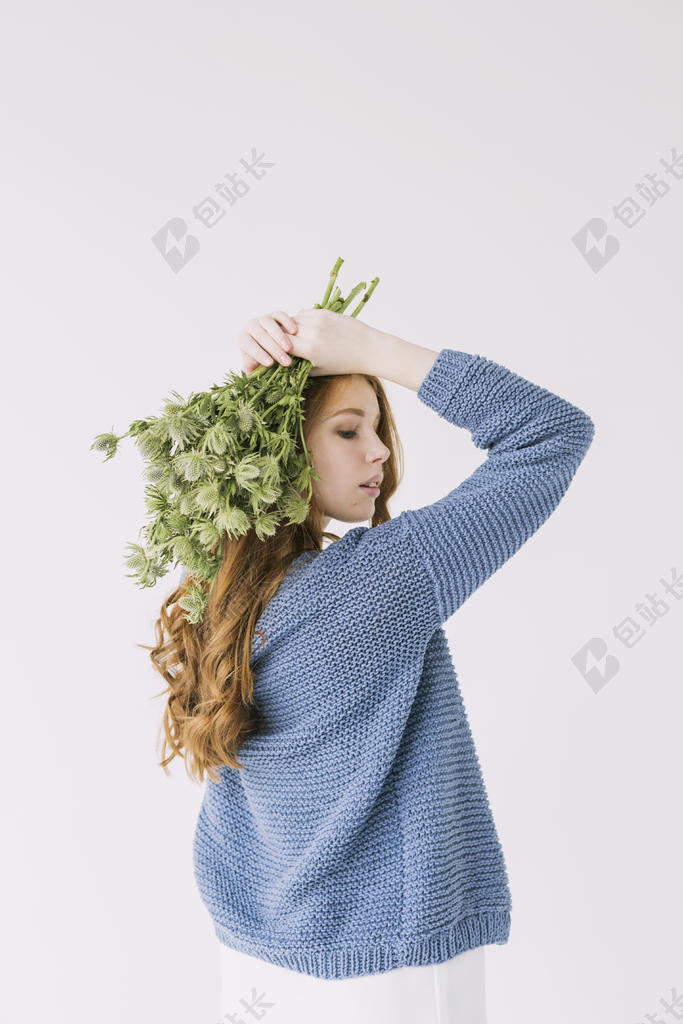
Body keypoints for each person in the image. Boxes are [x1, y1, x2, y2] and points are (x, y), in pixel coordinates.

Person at [184, 308, 595, 1023]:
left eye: (377, 427)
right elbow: (551, 433)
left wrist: (259, 390)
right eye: (348, 430)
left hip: (256, 958)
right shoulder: (379, 581)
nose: (378, 451)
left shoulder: (214, 597)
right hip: (391, 966)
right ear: (281, 450)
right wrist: (374, 348)